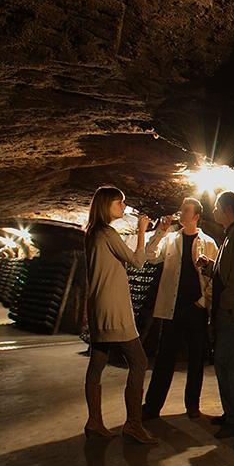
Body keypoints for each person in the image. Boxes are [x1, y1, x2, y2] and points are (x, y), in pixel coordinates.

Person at [82, 186, 157, 444]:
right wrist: (140, 231)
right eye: (119, 203)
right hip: (114, 308)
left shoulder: (92, 233)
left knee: (97, 364)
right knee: (138, 361)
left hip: (98, 307)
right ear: (106, 205)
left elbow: (133, 257)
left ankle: (94, 421)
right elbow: (137, 262)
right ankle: (133, 425)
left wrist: (154, 237)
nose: (123, 207)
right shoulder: (107, 232)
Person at [140, 197, 219, 420]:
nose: (181, 213)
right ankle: (152, 407)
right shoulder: (170, 239)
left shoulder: (209, 243)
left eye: (186, 210)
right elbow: (150, 257)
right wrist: (159, 232)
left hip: (196, 309)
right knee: (164, 358)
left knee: (196, 359)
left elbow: (215, 277)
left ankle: (192, 406)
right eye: (181, 209)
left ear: (195, 217)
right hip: (172, 308)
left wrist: (203, 302)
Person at [197, 190, 234, 439]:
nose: (213, 212)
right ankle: (231, 413)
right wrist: (209, 266)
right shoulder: (229, 236)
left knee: (228, 364)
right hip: (226, 309)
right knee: (224, 363)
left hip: (231, 311)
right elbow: (225, 273)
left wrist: (225, 305)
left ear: (226, 209)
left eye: (216, 208)